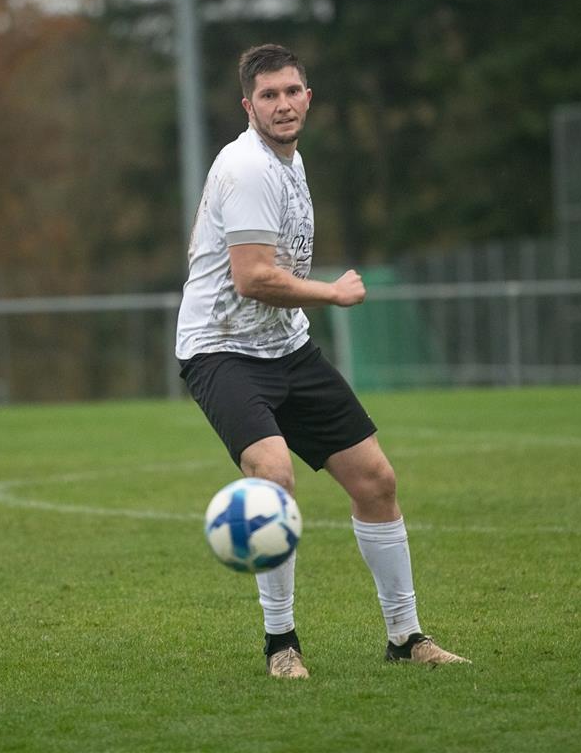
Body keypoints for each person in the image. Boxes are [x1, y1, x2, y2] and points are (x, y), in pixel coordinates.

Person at [176, 44, 469, 679]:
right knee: (274, 475)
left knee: (377, 482)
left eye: (291, 92)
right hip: (221, 349)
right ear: (247, 106)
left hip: (286, 345)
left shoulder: (291, 159)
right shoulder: (247, 167)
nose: (282, 104)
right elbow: (253, 278)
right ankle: (281, 644)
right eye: (269, 95)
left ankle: (406, 637)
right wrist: (333, 292)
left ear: (308, 97)